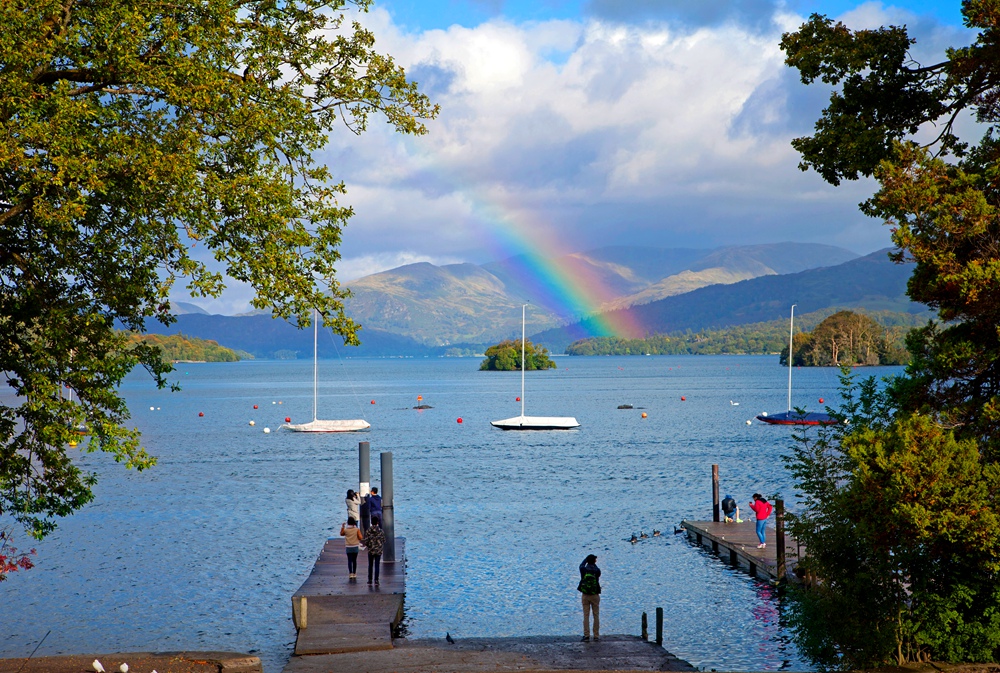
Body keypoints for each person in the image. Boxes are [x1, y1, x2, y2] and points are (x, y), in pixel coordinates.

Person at [578, 554, 601, 642]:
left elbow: (581, 565)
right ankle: (596, 635)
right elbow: (598, 576)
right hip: (595, 594)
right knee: (596, 615)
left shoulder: (583, 569)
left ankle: (586, 635)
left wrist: (586, 559)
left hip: (585, 594)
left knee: (586, 615)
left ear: (587, 561)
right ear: (594, 561)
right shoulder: (597, 570)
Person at [366, 515, 386, 586]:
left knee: (370, 565)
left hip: (371, 550)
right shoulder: (381, 531)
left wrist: (369, 545)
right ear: (377, 522)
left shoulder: (368, 530)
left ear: (371, 522)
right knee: (377, 565)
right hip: (378, 551)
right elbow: (384, 540)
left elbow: (366, 541)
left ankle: (369, 580)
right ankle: (376, 580)